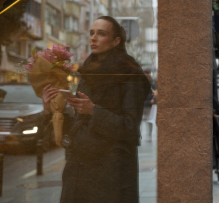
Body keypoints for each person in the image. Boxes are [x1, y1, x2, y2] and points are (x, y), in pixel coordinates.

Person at [42, 16, 150, 203]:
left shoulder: (130, 75)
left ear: (116, 41)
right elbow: (79, 124)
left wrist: (94, 111)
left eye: (101, 34)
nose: (93, 38)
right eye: (91, 33)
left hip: (110, 178)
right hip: (79, 172)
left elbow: (130, 127)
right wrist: (51, 109)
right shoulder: (88, 72)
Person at [143, 69, 156, 142]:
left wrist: (153, 100)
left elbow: (156, 93)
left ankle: (149, 136)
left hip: (149, 106)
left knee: (149, 121)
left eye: (147, 75)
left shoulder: (152, 85)